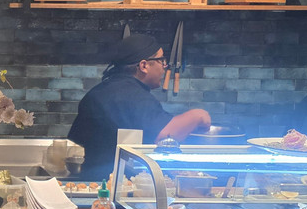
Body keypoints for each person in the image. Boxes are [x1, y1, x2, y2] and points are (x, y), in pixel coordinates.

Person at [67, 33, 211, 178]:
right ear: (144, 65)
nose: (165, 66)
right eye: (161, 60)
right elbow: (166, 136)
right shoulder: (132, 94)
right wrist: (198, 115)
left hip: (94, 181)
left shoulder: (102, 90)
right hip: (113, 184)